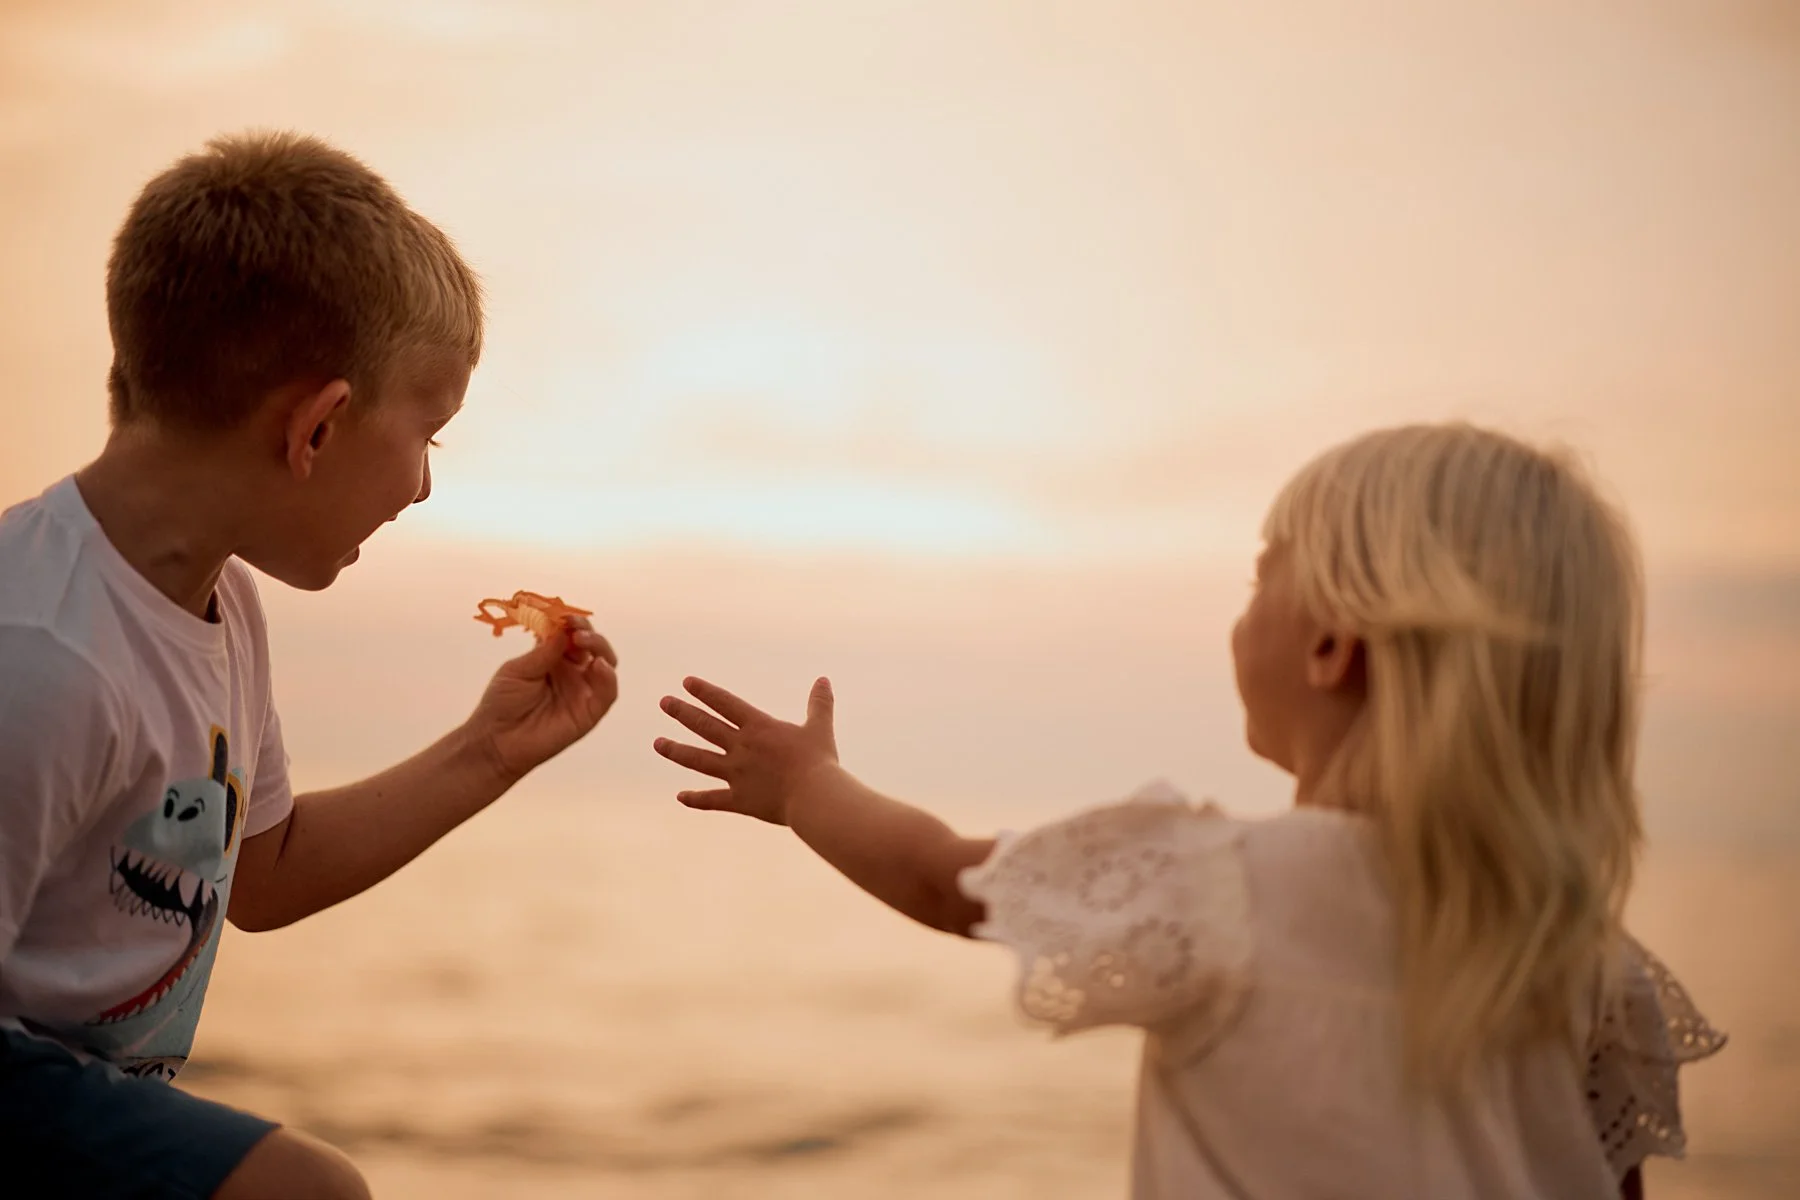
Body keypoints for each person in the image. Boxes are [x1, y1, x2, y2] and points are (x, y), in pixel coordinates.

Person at [654, 422, 1724, 1198]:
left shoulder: (1223, 886)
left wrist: (805, 787)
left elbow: (944, 876)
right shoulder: (1596, 966)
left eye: (1265, 575)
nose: (1245, 602)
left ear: (1329, 646)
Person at [0, 131, 618, 1199]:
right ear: (320, 429)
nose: (423, 487)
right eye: (432, 434)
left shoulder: (220, 600)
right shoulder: (37, 658)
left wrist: (489, 752)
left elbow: (262, 873)